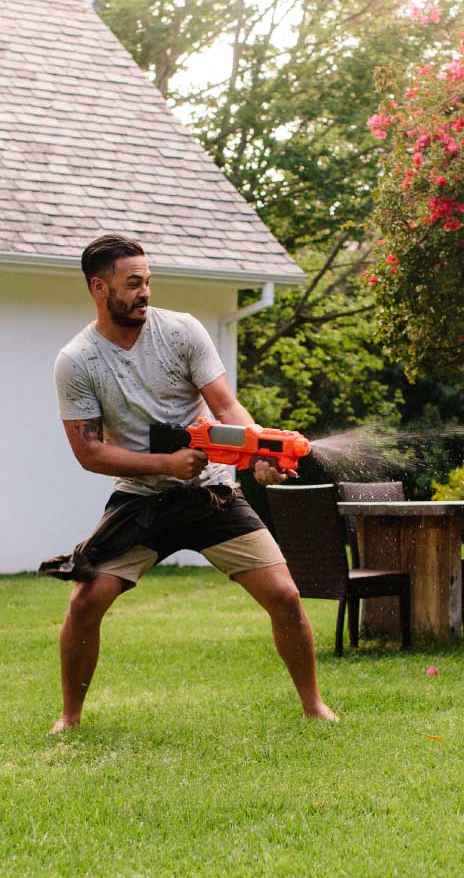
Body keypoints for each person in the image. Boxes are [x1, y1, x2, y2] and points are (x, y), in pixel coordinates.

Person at [44, 233, 337, 732]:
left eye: (148, 281)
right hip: (142, 499)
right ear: (99, 287)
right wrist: (165, 466)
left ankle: (313, 706)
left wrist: (258, 453)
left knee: (285, 596)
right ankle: (70, 718)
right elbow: (89, 453)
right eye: (133, 283)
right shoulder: (78, 361)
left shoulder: (181, 332)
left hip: (213, 492)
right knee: (86, 600)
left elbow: (226, 408)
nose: (145, 292)